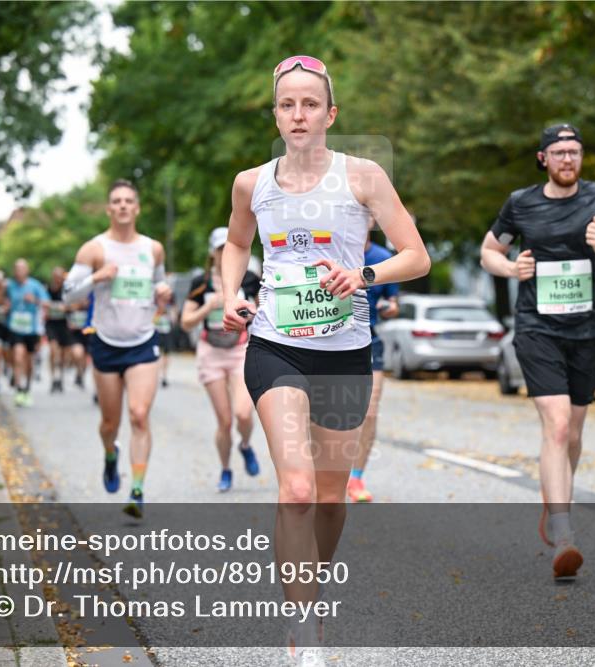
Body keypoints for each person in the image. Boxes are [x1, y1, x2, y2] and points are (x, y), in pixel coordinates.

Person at [220, 55, 430, 665]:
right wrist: (233, 293)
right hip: (276, 347)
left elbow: (416, 256)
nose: (299, 114)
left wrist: (363, 274)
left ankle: (307, 585)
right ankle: (304, 629)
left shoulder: (363, 177)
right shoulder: (249, 183)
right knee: (298, 488)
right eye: (288, 104)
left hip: (344, 352)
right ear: (276, 115)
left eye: (310, 103)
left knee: (332, 500)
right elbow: (236, 244)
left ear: (330, 114)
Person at [480, 123, 595, 579]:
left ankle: (557, 502)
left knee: (572, 433)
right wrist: (512, 268)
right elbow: (487, 253)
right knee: (555, 426)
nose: (568, 160)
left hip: (586, 331)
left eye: (575, 152)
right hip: (536, 327)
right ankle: (564, 531)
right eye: (559, 153)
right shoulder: (521, 203)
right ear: (543, 159)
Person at [63, 179, 172, 518]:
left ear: (137, 208)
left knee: (139, 415)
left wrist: (163, 292)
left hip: (142, 341)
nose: (123, 205)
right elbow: (67, 295)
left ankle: (137, 489)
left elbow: (159, 284)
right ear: (109, 209)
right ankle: (111, 455)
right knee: (110, 423)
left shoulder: (153, 248)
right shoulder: (93, 250)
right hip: (107, 343)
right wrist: (96, 279)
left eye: (129, 201)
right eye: (116, 201)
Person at [180, 226, 262, 493]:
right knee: (225, 421)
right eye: (219, 249)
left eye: (227, 247)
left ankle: (246, 446)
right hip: (211, 352)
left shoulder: (249, 279)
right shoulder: (200, 283)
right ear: (212, 253)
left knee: (243, 412)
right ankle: (226, 469)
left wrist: (250, 312)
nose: (224, 252)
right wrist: (209, 305)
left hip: (240, 349)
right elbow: (185, 322)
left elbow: (266, 311)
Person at [346, 231, 400, 503]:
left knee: (369, 411)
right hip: (331, 339)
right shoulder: (334, 248)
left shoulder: (382, 258)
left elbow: (393, 303)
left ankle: (356, 477)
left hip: (369, 339)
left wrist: (390, 308)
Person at [6, 258, 49, 407]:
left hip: (31, 329)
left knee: (29, 362)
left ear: (27, 270)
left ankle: (28, 389)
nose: (19, 271)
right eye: (16, 269)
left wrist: (35, 300)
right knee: (18, 357)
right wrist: (5, 305)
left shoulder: (35, 285)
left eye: (22, 268)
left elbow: (46, 303)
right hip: (15, 327)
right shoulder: (9, 286)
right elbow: (0, 299)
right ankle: (19, 390)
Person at [44, 267, 72, 394]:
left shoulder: (68, 290)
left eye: (60, 276)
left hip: (64, 325)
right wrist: (47, 306)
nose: (58, 279)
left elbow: (76, 304)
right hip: (51, 324)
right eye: (56, 276)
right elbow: (41, 303)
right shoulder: (47, 290)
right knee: (53, 350)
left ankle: (60, 377)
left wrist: (66, 308)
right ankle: (53, 378)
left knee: (63, 355)